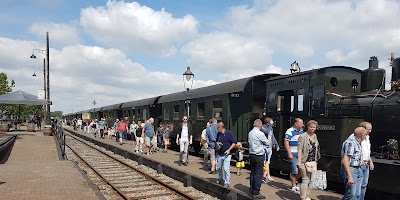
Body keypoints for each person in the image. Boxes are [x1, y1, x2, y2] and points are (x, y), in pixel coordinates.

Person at [348, 122, 374, 200]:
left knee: (364, 185)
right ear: (363, 129)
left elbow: (366, 151)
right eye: (368, 129)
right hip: (358, 165)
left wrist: (371, 161)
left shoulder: (367, 137)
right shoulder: (354, 138)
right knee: (356, 187)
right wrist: (361, 160)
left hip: (366, 164)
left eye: (370, 129)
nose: (370, 131)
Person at [297, 120, 321, 200]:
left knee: (311, 180)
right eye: (311, 127)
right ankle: (302, 197)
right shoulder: (303, 136)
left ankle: (306, 195)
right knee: (305, 179)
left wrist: (316, 159)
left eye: (314, 127)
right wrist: (299, 161)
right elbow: (299, 149)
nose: (312, 129)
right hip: (304, 160)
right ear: (308, 127)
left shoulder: (315, 136)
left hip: (313, 161)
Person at [342, 127, 367, 200]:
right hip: (352, 170)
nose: (366, 136)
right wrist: (350, 176)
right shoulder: (351, 143)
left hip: (358, 169)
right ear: (362, 136)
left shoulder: (358, 143)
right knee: (351, 194)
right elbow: (345, 160)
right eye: (365, 135)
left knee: (357, 194)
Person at [248, 119, 268, 199]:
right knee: (258, 174)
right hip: (258, 155)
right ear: (260, 125)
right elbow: (266, 142)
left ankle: (251, 189)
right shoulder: (260, 133)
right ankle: (256, 192)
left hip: (252, 154)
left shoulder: (250, 133)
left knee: (252, 172)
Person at [284, 118, 304, 194]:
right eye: (301, 123)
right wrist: (289, 153)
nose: (302, 125)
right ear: (296, 124)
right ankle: (293, 186)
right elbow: (286, 142)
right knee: (294, 171)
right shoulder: (289, 131)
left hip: (300, 154)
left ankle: (294, 182)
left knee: (301, 171)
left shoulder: (301, 131)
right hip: (293, 153)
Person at [215, 122, 237, 188]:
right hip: (220, 153)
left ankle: (227, 182)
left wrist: (229, 150)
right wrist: (217, 144)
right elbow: (216, 140)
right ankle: (220, 178)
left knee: (226, 168)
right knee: (219, 167)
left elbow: (234, 143)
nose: (217, 130)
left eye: (217, 128)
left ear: (221, 128)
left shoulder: (228, 133)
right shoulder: (218, 134)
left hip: (227, 154)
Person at [260, 117, 279, 183]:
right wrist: (270, 125)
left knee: (267, 162)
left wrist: (277, 145)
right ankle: (265, 176)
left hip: (269, 147)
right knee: (265, 162)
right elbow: (267, 132)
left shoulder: (270, 128)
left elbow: (272, 136)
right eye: (271, 122)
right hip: (264, 147)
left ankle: (267, 176)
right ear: (268, 123)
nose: (272, 123)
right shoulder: (262, 127)